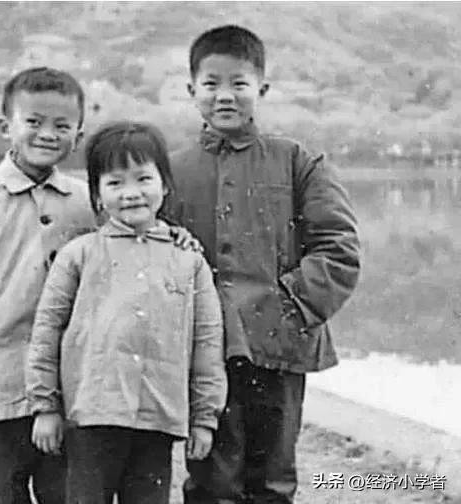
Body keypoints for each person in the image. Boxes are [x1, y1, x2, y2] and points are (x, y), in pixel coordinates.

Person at [0, 67, 202, 504]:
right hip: (0, 379)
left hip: (72, 387)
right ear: (6, 126)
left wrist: (172, 237)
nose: (47, 134)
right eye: (34, 122)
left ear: (78, 135)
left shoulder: (87, 200)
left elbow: (129, 239)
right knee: (1, 489)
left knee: (63, 489)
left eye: (61, 125)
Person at [162, 25, 361, 504]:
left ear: (262, 89)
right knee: (210, 478)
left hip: (280, 341)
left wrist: (289, 304)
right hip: (203, 349)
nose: (224, 96)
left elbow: (339, 248)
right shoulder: (170, 171)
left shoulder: (297, 161)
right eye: (211, 84)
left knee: (273, 479)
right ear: (191, 90)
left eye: (239, 84)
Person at [26, 121, 228, 504]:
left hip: (158, 417)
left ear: (165, 185)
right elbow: (47, 331)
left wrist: (205, 418)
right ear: (97, 194)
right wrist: (45, 406)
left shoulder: (189, 260)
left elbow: (207, 343)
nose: (131, 193)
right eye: (115, 183)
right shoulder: (78, 255)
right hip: (90, 415)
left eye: (143, 179)